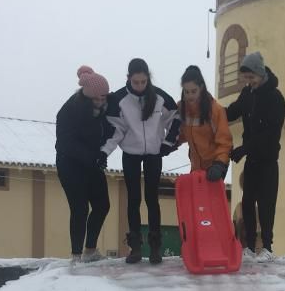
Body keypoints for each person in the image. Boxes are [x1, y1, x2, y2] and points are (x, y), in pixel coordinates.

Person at [102, 58, 178, 264]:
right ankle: (135, 247)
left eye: (143, 82)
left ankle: (155, 247)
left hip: (154, 154)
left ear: (148, 79)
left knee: (152, 199)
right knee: (133, 199)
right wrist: (104, 152)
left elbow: (176, 118)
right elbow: (115, 130)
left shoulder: (160, 97)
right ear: (128, 79)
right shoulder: (119, 100)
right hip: (131, 155)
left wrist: (168, 143)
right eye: (136, 82)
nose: (140, 86)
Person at [226, 52, 285, 261]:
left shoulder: (275, 98)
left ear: (260, 74)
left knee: (267, 203)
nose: (249, 82)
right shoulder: (247, 95)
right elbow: (231, 112)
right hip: (252, 160)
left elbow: (269, 134)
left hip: (268, 160)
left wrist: (244, 148)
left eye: (252, 78)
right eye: (246, 79)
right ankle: (249, 247)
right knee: (248, 201)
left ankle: (267, 247)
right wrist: (209, 111)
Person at [55, 66, 112, 265]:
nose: (101, 101)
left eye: (104, 97)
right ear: (86, 96)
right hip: (70, 164)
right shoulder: (70, 110)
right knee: (79, 208)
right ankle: (76, 256)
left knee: (102, 205)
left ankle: (90, 250)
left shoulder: (105, 105)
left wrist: (102, 154)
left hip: (92, 163)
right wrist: (91, 157)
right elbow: (64, 143)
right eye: (96, 99)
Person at [172, 65, 232, 182]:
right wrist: (171, 143)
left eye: (193, 91)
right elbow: (183, 134)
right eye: (186, 92)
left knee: (209, 199)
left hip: (215, 166)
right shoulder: (181, 109)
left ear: (201, 88)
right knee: (196, 199)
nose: (190, 96)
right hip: (196, 166)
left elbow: (225, 142)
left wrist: (219, 164)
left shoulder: (215, 110)